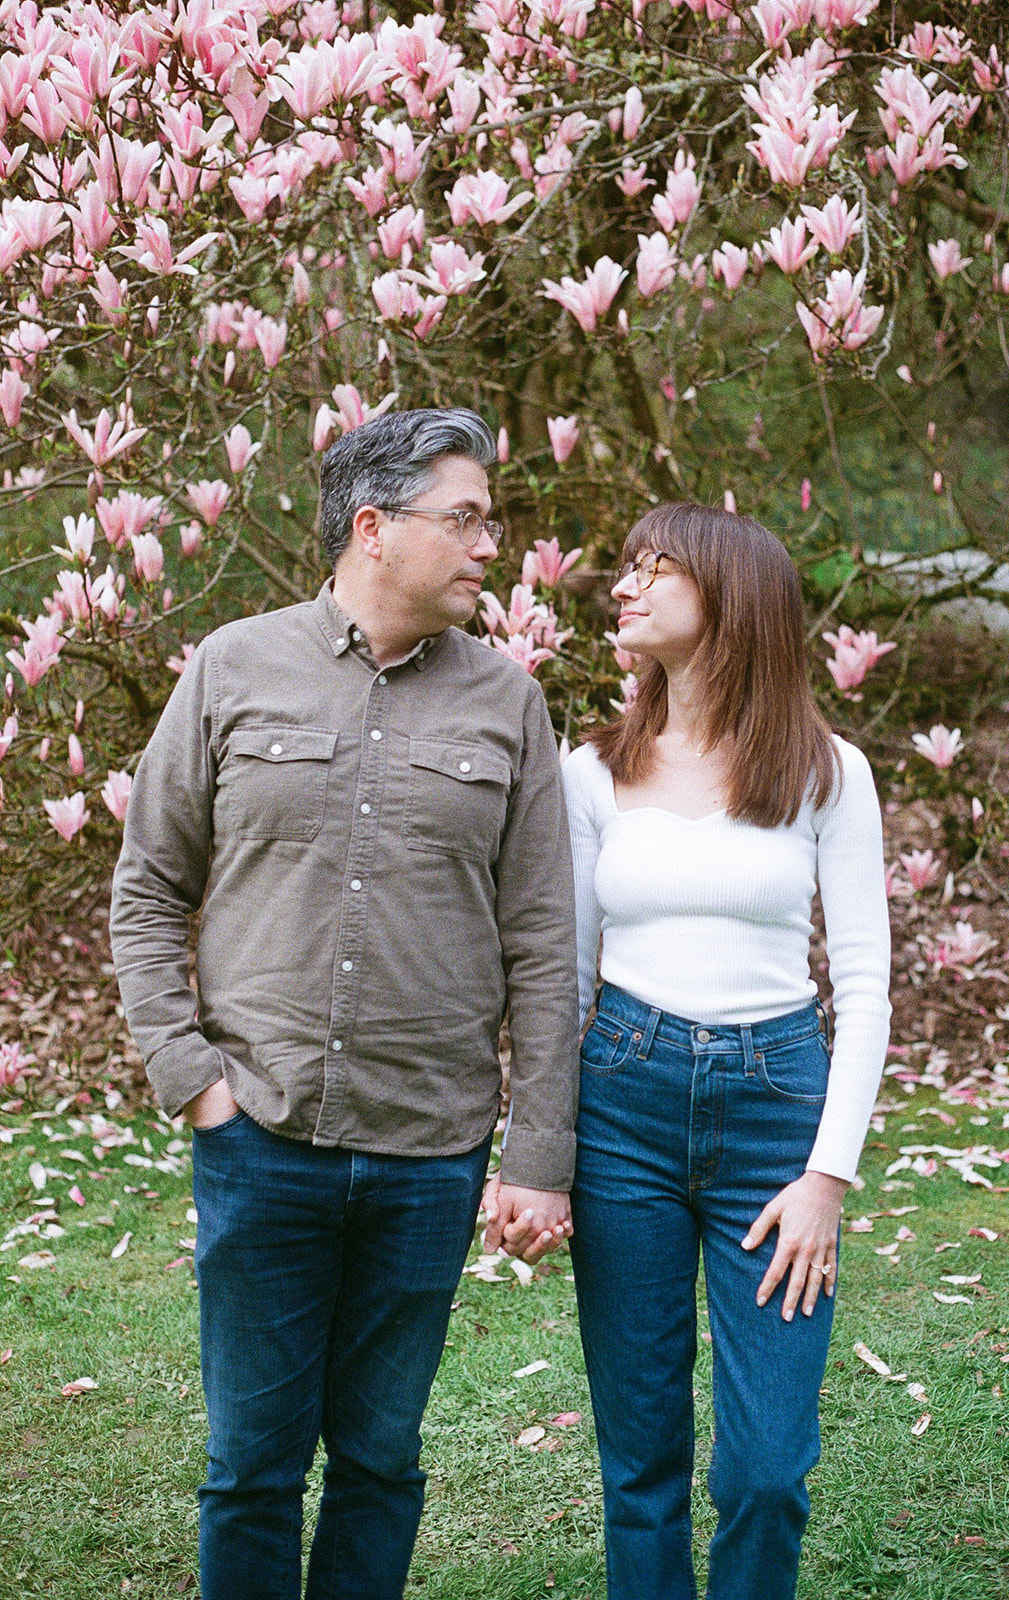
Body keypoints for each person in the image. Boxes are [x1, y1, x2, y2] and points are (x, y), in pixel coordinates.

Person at [109, 408, 579, 1600]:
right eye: (464, 518)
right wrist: (193, 1079)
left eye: (489, 519)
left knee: (377, 1459)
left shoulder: (507, 703)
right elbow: (149, 887)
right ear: (373, 527)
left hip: (429, 1153)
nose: (491, 546)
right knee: (251, 1464)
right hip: (258, 1138)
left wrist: (533, 1152)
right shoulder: (231, 665)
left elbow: (541, 941)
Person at [561, 505, 891, 1600]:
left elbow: (865, 979)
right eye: (625, 565)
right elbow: (565, 976)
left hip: (774, 1112)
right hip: (621, 1105)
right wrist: (544, 1148)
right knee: (639, 1458)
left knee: (761, 1471)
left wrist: (824, 1179)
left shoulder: (826, 773)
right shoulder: (589, 773)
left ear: (731, 598)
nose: (625, 585)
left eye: (655, 568)